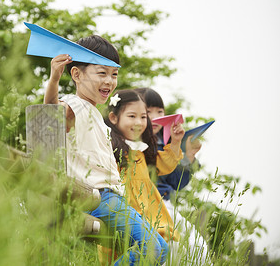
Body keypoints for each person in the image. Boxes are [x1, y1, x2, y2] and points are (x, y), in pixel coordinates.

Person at [44, 35, 168, 265]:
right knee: (155, 248)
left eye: (114, 75)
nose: (109, 81)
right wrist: (53, 80)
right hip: (99, 196)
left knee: (159, 247)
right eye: (102, 73)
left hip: (111, 197)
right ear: (77, 75)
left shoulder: (94, 113)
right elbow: (50, 115)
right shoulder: (76, 104)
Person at [135, 87, 210, 264]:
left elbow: (176, 183)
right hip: (143, 204)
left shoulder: (167, 142)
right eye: (148, 111)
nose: (155, 117)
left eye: (159, 111)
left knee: (198, 246)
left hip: (164, 203)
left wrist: (188, 156)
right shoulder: (132, 141)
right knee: (173, 248)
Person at [104, 89, 184, 242]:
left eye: (143, 117)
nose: (139, 122)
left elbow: (165, 164)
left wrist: (176, 141)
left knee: (169, 248)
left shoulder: (141, 149)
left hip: (152, 216)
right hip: (127, 215)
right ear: (114, 118)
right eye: (132, 116)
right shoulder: (110, 148)